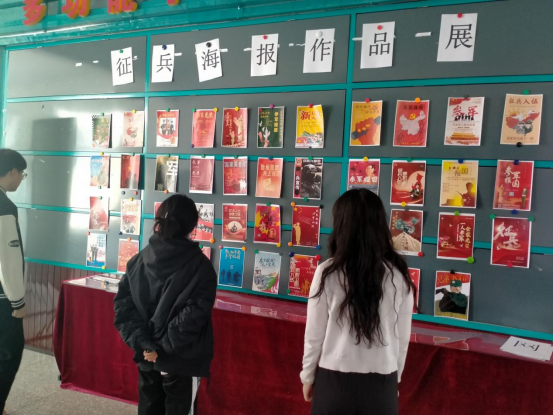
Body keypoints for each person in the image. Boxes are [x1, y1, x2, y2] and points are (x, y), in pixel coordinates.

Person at [301, 188, 416, 415]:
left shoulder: (327, 272)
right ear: (380, 225)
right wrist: (395, 379)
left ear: (341, 225)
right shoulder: (399, 275)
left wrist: (307, 375)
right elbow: (402, 339)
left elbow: (314, 333)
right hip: (382, 384)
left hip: (334, 383)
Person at [114, 194, 217, 415]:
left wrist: (146, 345)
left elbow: (124, 307)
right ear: (192, 225)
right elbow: (193, 315)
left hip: (148, 356)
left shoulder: (138, 260)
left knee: (149, 407)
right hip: (180, 360)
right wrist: (158, 347)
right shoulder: (201, 266)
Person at [0, 149, 27, 415]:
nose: (20, 180)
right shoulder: (5, 207)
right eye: (21, 174)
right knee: (9, 352)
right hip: (2, 298)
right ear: (12, 172)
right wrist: (17, 301)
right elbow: (7, 260)